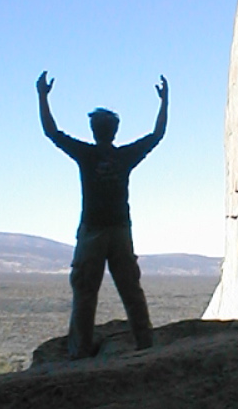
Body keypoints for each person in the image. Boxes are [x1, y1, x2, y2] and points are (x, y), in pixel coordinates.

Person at [36, 71, 169, 359]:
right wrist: (164, 101)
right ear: (115, 131)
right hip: (120, 230)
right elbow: (157, 135)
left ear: (94, 130)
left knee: (85, 292)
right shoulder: (124, 156)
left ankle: (80, 352)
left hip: (93, 231)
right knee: (131, 290)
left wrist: (42, 96)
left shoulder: (86, 154)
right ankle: (145, 343)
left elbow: (52, 132)